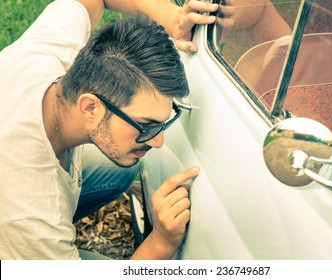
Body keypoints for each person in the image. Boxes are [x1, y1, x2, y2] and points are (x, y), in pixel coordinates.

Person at [0, 0, 218, 260]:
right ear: (91, 107)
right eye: (146, 126)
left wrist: (171, 16)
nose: (158, 141)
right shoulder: (29, 209)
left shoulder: (49, 53)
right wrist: (161, 241)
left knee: (115, 168)